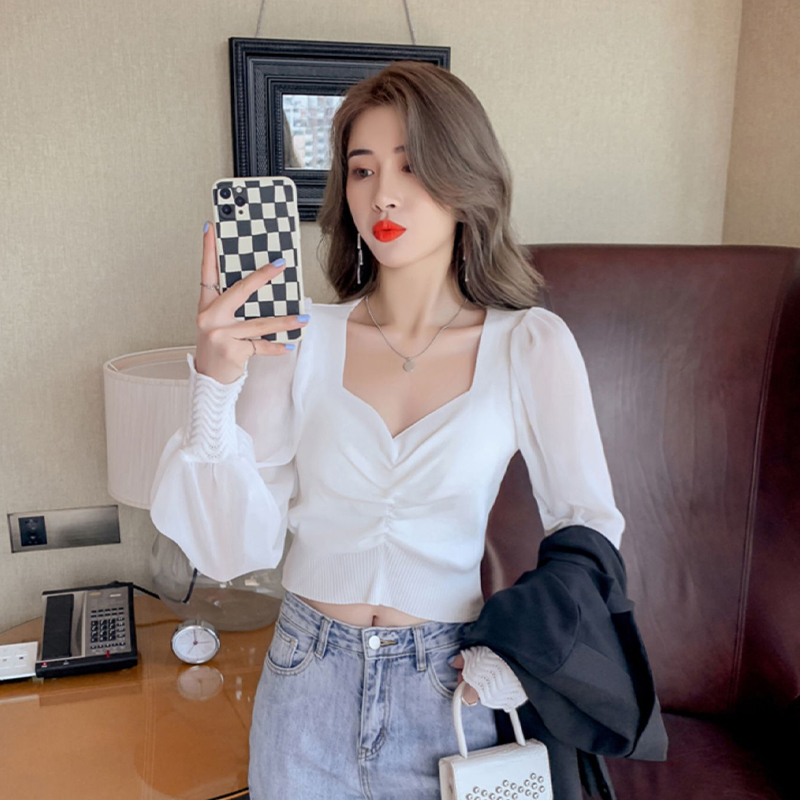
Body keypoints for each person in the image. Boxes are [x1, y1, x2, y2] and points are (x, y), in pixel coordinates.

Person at [149, 61, 626, 799]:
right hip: (304, 683)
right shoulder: (301, 339)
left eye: (411, 164)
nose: (384, 195)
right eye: (362, 169)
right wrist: (215, 385)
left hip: (452, 691)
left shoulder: (530, 344)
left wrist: (523, 660)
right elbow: (230, 549)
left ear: (467, 178)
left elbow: (589, 522)